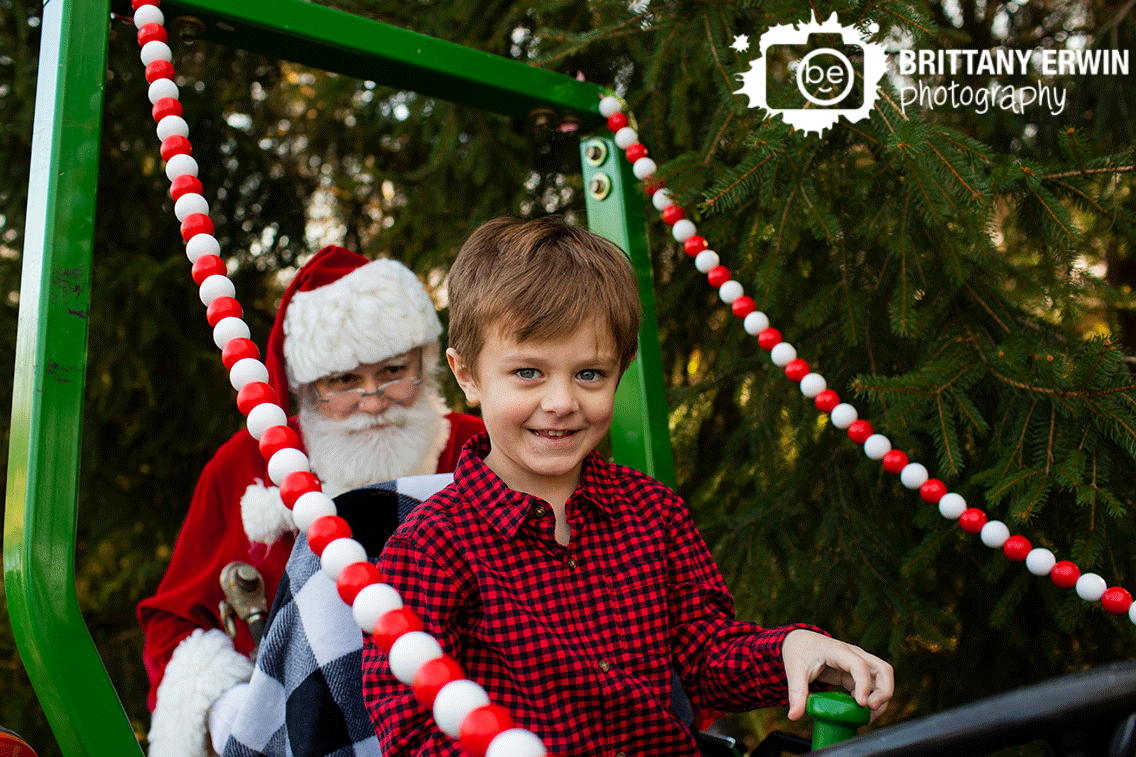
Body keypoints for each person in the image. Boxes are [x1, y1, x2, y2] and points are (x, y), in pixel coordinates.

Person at [360, 217, 894, 756]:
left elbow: (706, 654)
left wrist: (790, 649)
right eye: (528, 373)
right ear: (467, 375)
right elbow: (413, 734)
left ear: (621, 370)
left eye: (589, 374)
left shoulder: (653, 512)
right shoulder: (428, 549)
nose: (562, 401)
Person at [137, 245, 485, 757]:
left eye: (393, 371)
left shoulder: (476, 447)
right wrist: (222, 705)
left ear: (425, 363)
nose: (372, 400)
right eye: (344, 381)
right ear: (306, 388)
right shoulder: (248, 465)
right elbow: (173, 624)